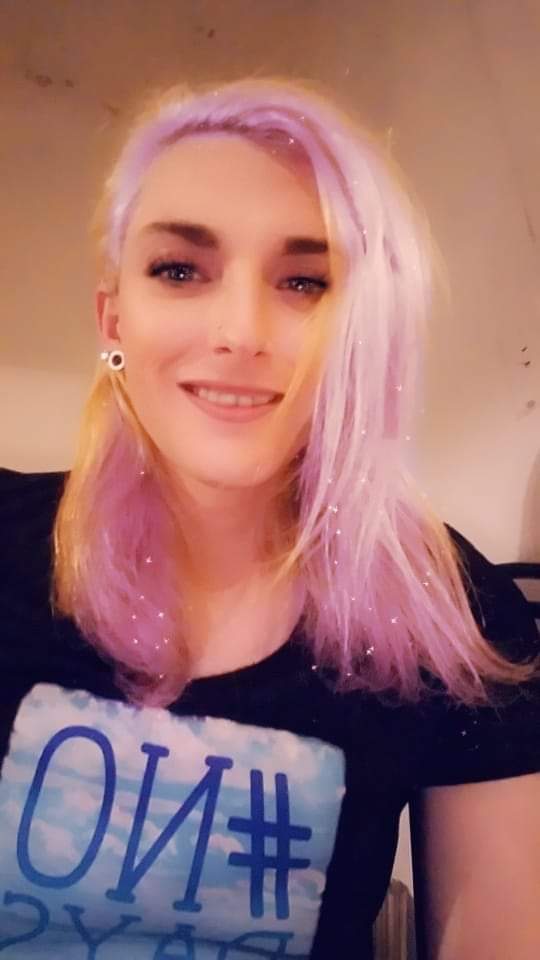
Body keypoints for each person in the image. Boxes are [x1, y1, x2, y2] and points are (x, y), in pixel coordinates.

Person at [0, 75, 539, 960]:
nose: (241, 330)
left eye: (304, 281)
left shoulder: (452, 609)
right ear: (113, 320)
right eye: (180, 271)